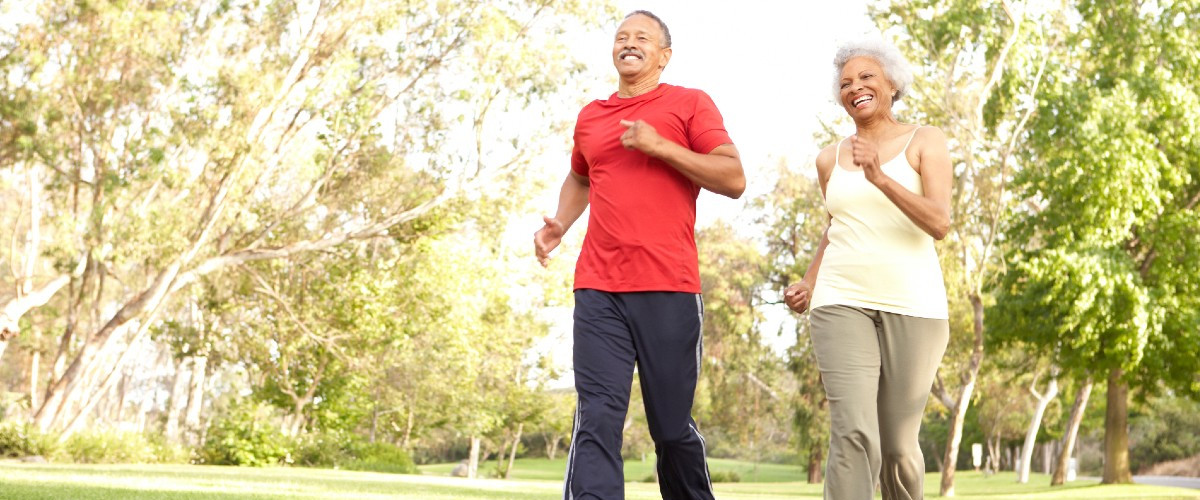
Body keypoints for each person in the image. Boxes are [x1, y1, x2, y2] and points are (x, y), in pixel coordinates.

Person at [534, 10, 745, 500]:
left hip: (669, 285)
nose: (629, 43)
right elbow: (581, 177)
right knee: (597, 416)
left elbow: (733, 178)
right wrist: (560, 224)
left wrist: (661, 147)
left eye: (642, 38)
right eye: (621, 36)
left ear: (664, 56)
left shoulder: (690, 103)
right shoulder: (591, 116)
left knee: (670, 427)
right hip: (598, 287)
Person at [784, 38, 953, 500]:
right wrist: (809, 282)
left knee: (898, 447)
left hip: (914, 304)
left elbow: (939, 222)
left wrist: (879, 177)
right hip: (840, 300)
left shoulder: (926, 140)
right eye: (845, 83)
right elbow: (837, 224)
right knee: (854, 433)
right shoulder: (829, 158)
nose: (854, 87)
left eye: (866, 77)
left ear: (892, 84)